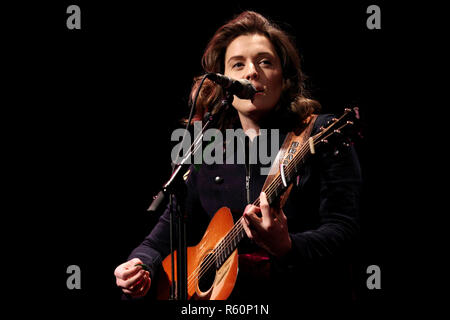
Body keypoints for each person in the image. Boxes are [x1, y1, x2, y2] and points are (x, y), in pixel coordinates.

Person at [114, 11, 361, 302]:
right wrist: (140, 265)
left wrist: (289, 247)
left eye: (265, 61)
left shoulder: (318, 133)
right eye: (238, 64)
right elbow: (161, 238)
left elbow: (346, 231)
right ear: (224, 84)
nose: (251, 72)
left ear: (285, 78)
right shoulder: (208, 152)